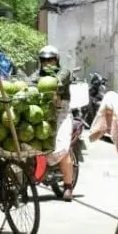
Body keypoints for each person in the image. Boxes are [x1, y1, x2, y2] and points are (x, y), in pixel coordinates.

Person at [28, 45, 76, 201]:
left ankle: (68, 186)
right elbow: (29, 83)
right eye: (44, 60)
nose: (48, 63)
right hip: (44, 113)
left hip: (61, 114)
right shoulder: (37, 74)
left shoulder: (64, 73)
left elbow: (59, 80)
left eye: (51, 59)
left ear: (57, 60)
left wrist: (51, 82)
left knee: (62, 149)